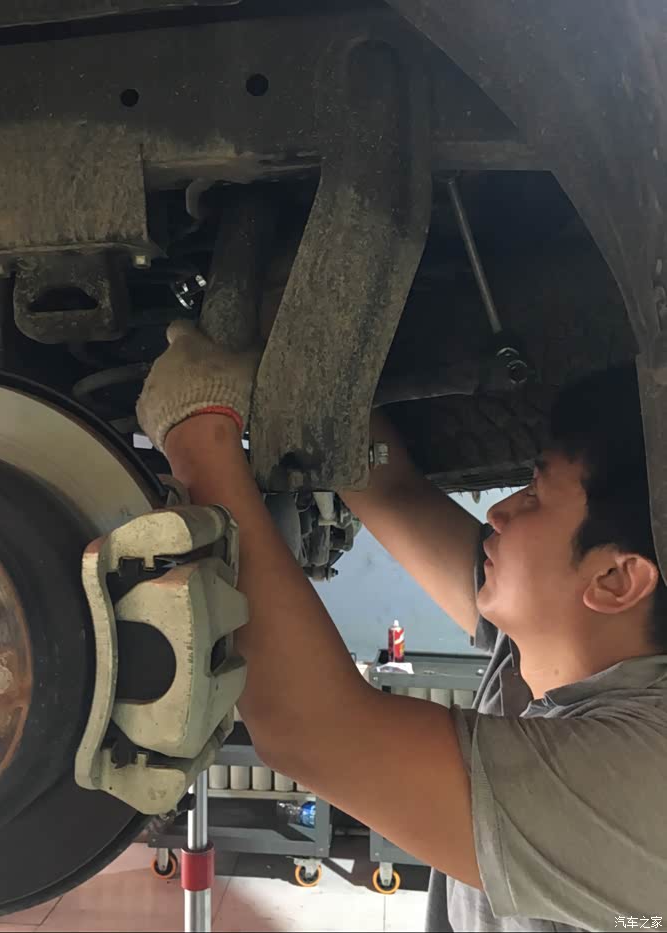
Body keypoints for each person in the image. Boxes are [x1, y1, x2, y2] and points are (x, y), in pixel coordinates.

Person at [137, 321, 667, 933]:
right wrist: (308, 346)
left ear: (615, 580)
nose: (499, 510)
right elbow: (390, 490)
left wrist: (198, 436)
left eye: (536, 495)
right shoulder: (539, 652)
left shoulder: (646, 786)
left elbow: (312, 733)